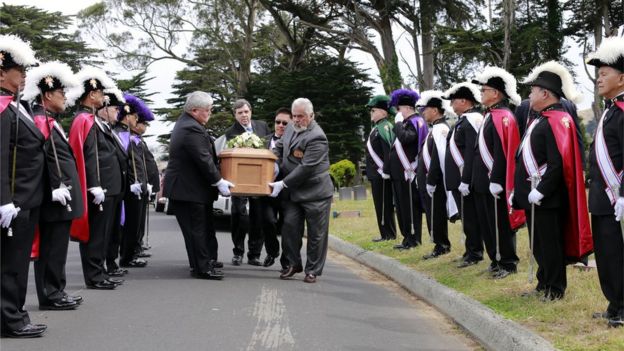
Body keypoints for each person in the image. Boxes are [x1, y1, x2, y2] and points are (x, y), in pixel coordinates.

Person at [514, 61, 592, 301]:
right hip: (533, 194)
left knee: (551, 245)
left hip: (547, 197)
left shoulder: (559, 119)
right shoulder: (541, 118)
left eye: (533, 91)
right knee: (539, 245)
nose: (529, 95)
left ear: (545, 93)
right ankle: (543, 284)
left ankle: (555, 289)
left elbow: (558, 163)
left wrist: (542, 191)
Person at [23, 61, 84, 310]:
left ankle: (57, 289)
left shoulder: (50, 119)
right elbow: (42, 159)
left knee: (57, 248)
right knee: (51, 248)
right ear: (48, 94)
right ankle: (50, 294)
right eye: (61, 93)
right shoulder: (40, 119)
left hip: (62, 196)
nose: (65, 98)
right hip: (54, 197)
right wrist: (54, 187)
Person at [0, 34, 47, 338]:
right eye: (20, 69)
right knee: (10, 265)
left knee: (17, 263)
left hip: (27, 198)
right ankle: (10, 320)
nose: (25, 74)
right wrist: (3, 199)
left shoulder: (16, 106)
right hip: (14, 200)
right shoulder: (3, 108)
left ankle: (15, 313)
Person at [163, 91, 232, 280]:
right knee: (196, 230)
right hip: (188, 190)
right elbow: (203, 158)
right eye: (207, 110)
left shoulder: (189, 124)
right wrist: (218, 181)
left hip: (191, 189)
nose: (210, 114)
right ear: (194, 110)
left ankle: (203, 262)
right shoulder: (190, 128)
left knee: (200, 228)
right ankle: (202, 268)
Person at [67, 67, 125, 290]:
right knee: (96, 235)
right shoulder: (84, 119)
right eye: (101, 93)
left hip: (109, 188)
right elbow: (88, 156)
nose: (103, 97)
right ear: (92, 94)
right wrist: (94, 185)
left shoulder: (94, 120)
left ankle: (99, 270)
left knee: (103, 233)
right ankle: (94, 275)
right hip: (99, 189)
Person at [269, 98, 333, 283]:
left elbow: (306, 168)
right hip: (294, 192)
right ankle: (293, 263)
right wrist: (271, 162)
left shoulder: (317, 137)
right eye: (294, 116)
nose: (296, 120)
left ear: (311, 116)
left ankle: (312, 270)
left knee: (316, 234)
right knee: (289, 226)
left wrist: (282, 183)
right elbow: (280, 146)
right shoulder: (290, 127)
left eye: (301, 117)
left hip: (316, 193)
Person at [471, 66, 525, 279]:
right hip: (482, 181)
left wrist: (496, 180)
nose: (481, 93)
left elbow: (505, 152)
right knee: (487, 223)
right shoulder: (489, 115)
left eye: (484, 90)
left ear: (496, 93)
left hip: (497, 182)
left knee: (501, 224)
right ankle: (495, 259)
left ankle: (508, 262)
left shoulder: (504, 116)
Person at [586, 36, 624, 327]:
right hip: (602, 199)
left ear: (621, 78)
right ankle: (615, 303)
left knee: (618, 254)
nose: (598, 79)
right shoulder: (611, 110)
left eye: (603, 73)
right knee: (608, 254)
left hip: (617, 199)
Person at [223, 99, 270, 266]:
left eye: (246, 111)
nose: (244, 115)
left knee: (258, 216)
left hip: (259, 178)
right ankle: (238, 252)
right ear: (235, 115)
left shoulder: (262, 126)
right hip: (240, 179)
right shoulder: (231, 132)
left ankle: (254, 254)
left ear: (251, 112)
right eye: (240, 113)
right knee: (239, 215)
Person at [443, 82, 485, 267]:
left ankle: (475, 253)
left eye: (454, 101)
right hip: (458, 178)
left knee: (471, 219)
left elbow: (471, 153)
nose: (451, 105)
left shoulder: (472, 120)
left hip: (465, 178)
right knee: (466, 219)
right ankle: (470, 250)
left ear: (463, 100)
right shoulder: (462, 120)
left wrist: (466, 179)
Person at [417, 90, 458, 259]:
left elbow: (438, 158)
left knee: (436, 213)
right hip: (430, 181)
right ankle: (438, 243)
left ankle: (441, 245)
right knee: (432, 213)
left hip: (436, 182)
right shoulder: (435, 128)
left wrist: (432, 180)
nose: (423, 113)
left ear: (434, 110)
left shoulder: (440, 129)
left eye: (425, 109)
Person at [385, 89, 428, 250]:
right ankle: (406, 238)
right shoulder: (407, 122)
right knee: (401, 208)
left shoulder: (415, 121)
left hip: (409, 172)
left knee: (409, 208)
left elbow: (406, 138)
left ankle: (413, 239)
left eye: (399, 108)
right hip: (399, 174)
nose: (398, 111)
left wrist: (397, 124)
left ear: (407, 108)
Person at [114, 94, 151, 269]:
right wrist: (133, 182)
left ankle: (131, 254)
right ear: (127, 115)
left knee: (135, 224)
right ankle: (126, 257)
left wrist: (145, 183)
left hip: (138, 186)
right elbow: (127, 163)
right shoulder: (122, 134)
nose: (137, 120)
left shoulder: (131, 136)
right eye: (135, 117)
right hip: (130, 187)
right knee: (130, 225)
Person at [97, 88, 129, 277]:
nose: (118, 113)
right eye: (115, 109)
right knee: (103, 232)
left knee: (113, 231)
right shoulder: (98, 126)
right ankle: (100, 269)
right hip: (106, 187)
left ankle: (110, 263)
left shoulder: (110, 129)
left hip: (117, 188)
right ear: (104, 108)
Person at [259, 107, 291, 269]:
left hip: (287, 191)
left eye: (285, 123)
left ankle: (286, 261)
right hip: (267, 191)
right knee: (268, 221)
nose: (280, 125)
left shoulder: (295, 141)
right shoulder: (263, 141)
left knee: (287, 227)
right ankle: (272, 252)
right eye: (278, 122)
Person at [365, 95, 397, 242]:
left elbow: (388, 152)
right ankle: (384, 233)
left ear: (384, 113)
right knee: (379, 205)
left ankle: (389, 234)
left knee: (385, 205)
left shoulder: (384, 127)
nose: (371, 113)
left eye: (374, 110)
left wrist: (386, 171)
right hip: (375, 174)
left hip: (382, 174)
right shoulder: (376, 128)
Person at [136, 116, 160, 255]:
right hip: (141, 184)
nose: (145, 127)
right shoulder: (134, 139)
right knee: (137, 220)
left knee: (141, 218)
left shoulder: (141, 139)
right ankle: (136, 246)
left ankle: (139, 243)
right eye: (143, 124)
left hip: (147, 183)